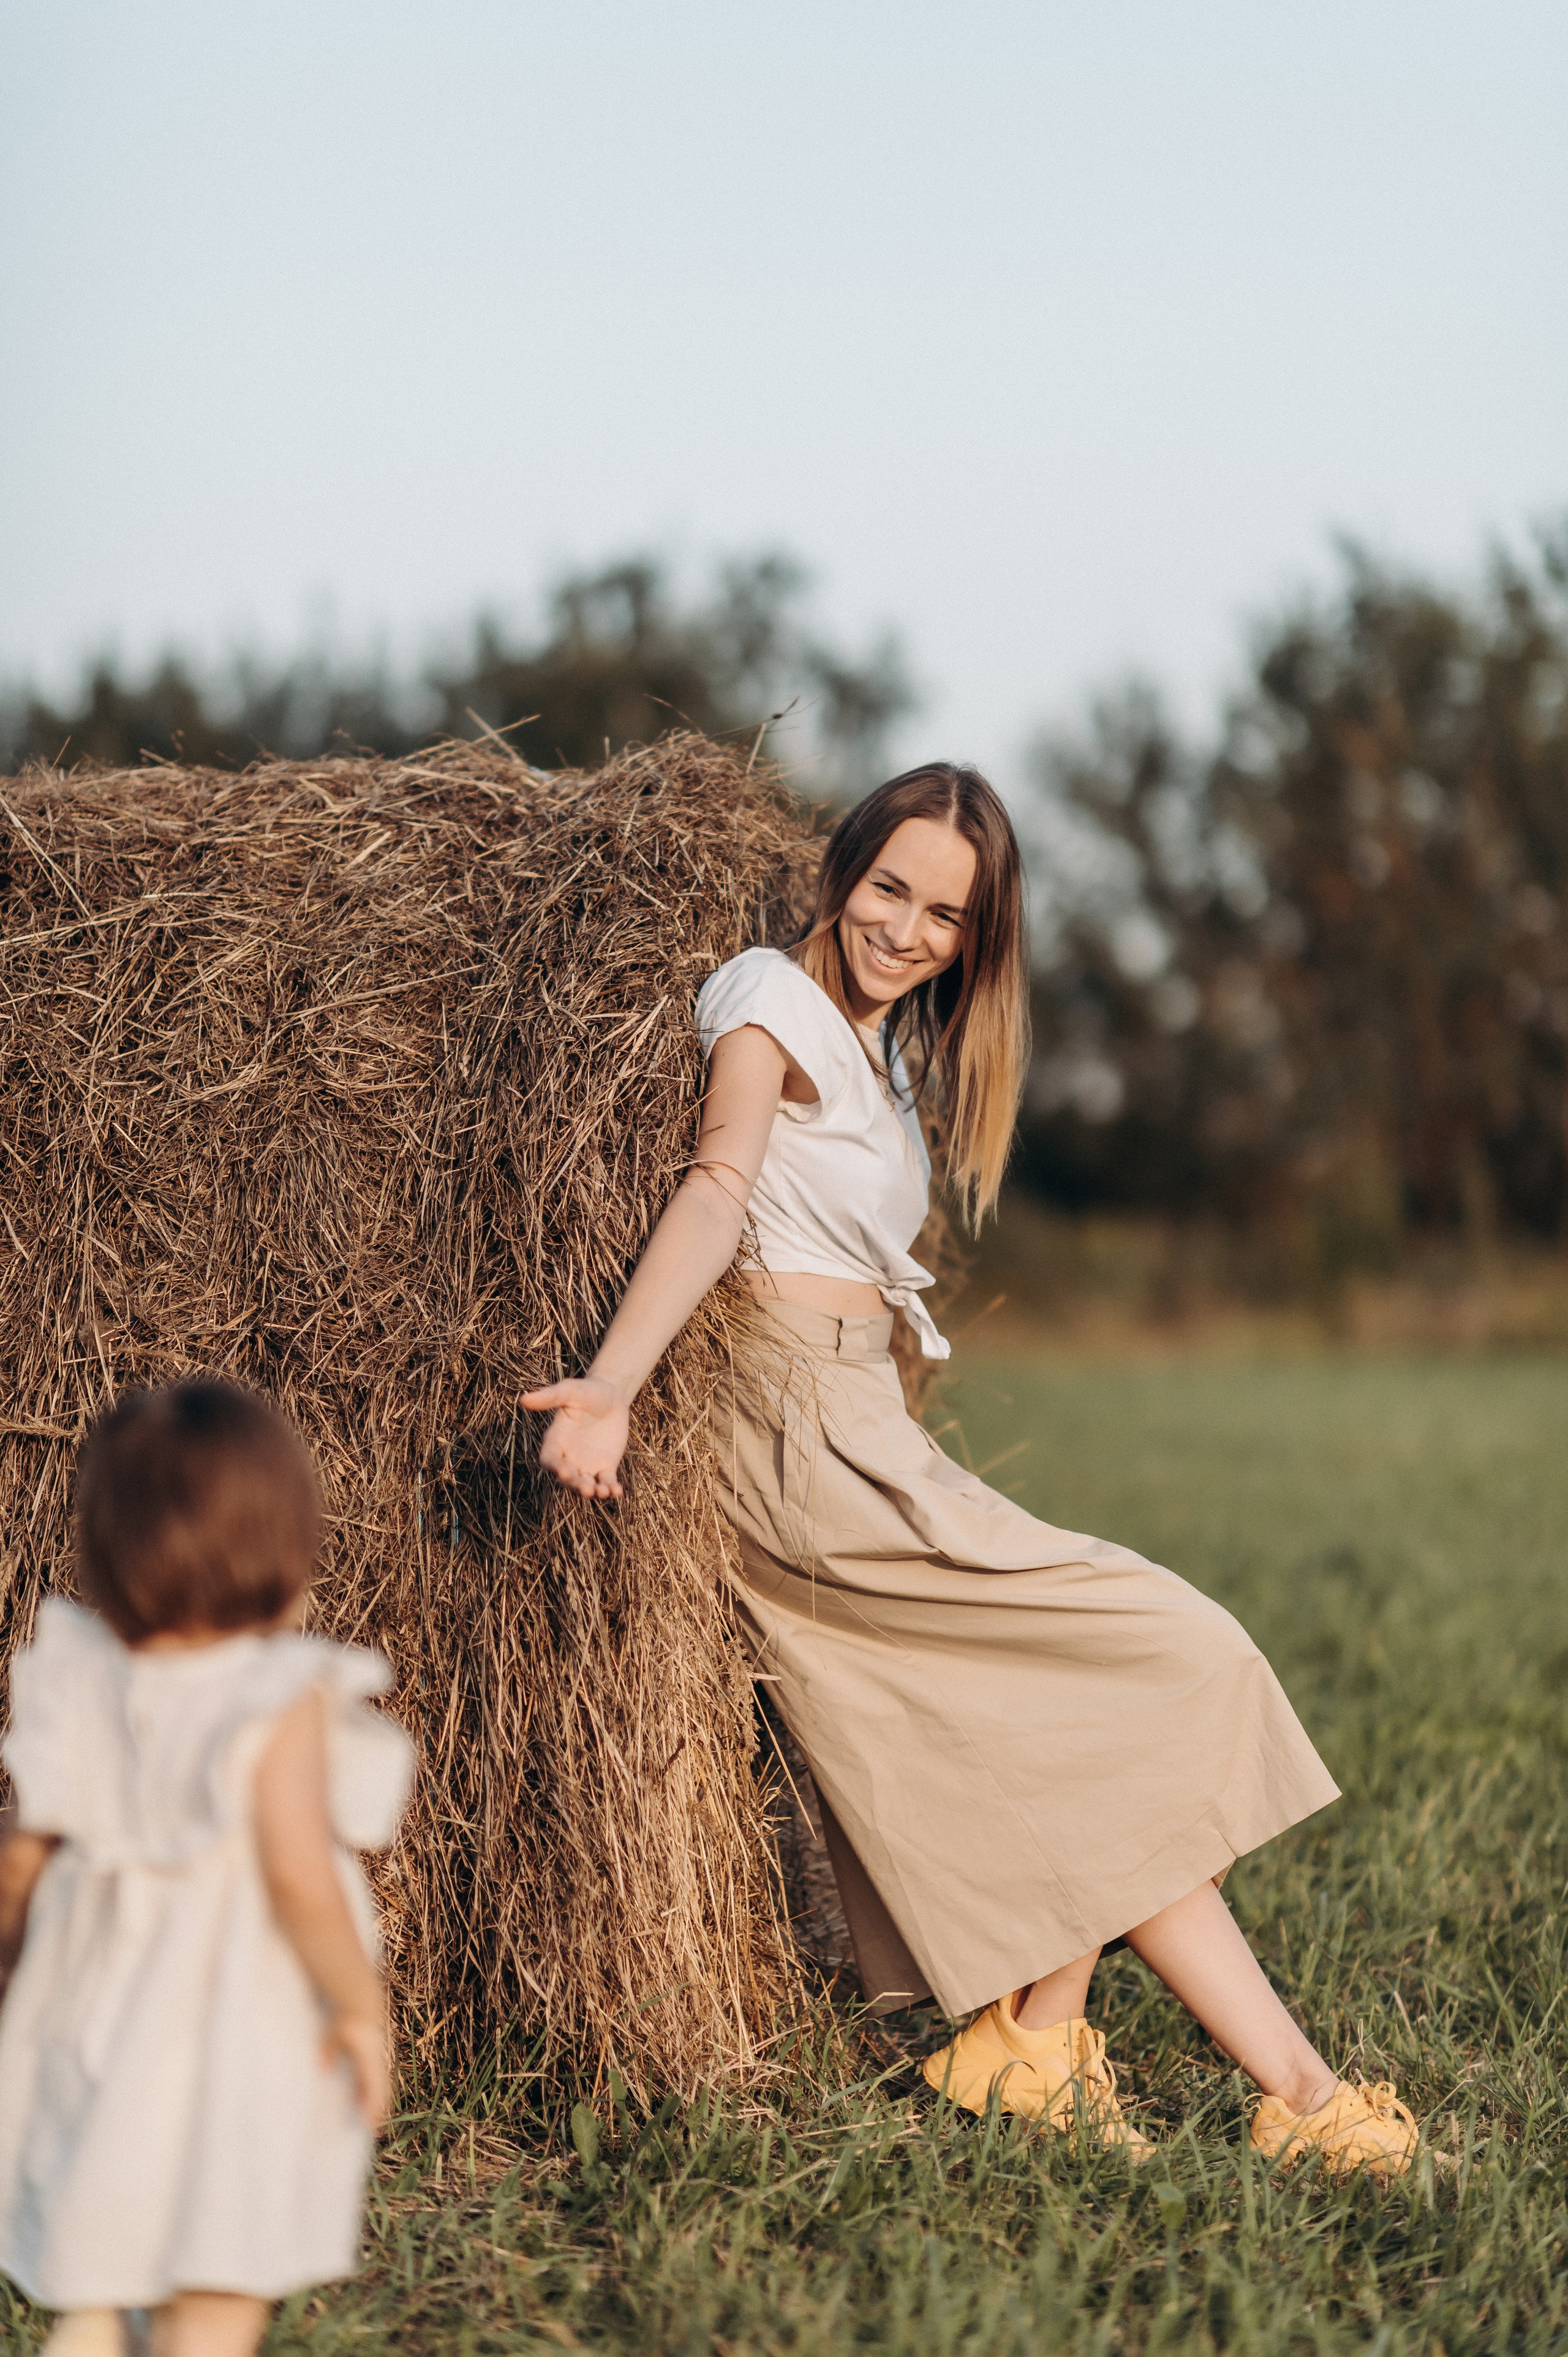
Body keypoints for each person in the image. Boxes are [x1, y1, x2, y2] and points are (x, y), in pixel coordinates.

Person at [524, 761, 1417, 2178]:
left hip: (858, 1420)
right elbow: (716, 1185)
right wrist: (613, 1391)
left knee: (1113, 1706)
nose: (905, 930)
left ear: (974, 938)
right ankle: (1286, 2099)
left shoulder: (881, 1051)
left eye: (946, 914)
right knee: (1174, 1654)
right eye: (889, 888)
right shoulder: (767, 995)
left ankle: (1065, 2052)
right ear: (840, 870)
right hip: (792, 1434)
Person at [0, 1380, 413, 2357]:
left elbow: (20, 1858)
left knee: (117, 2211)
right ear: (287, 1547)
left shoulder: (77, 1682)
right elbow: (300, 1878)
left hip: (101, 2019)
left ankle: (106, 2327)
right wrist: (359, 2006)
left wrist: (15, 1966)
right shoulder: (278, 1695)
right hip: (240, 2032)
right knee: (219, 2286)